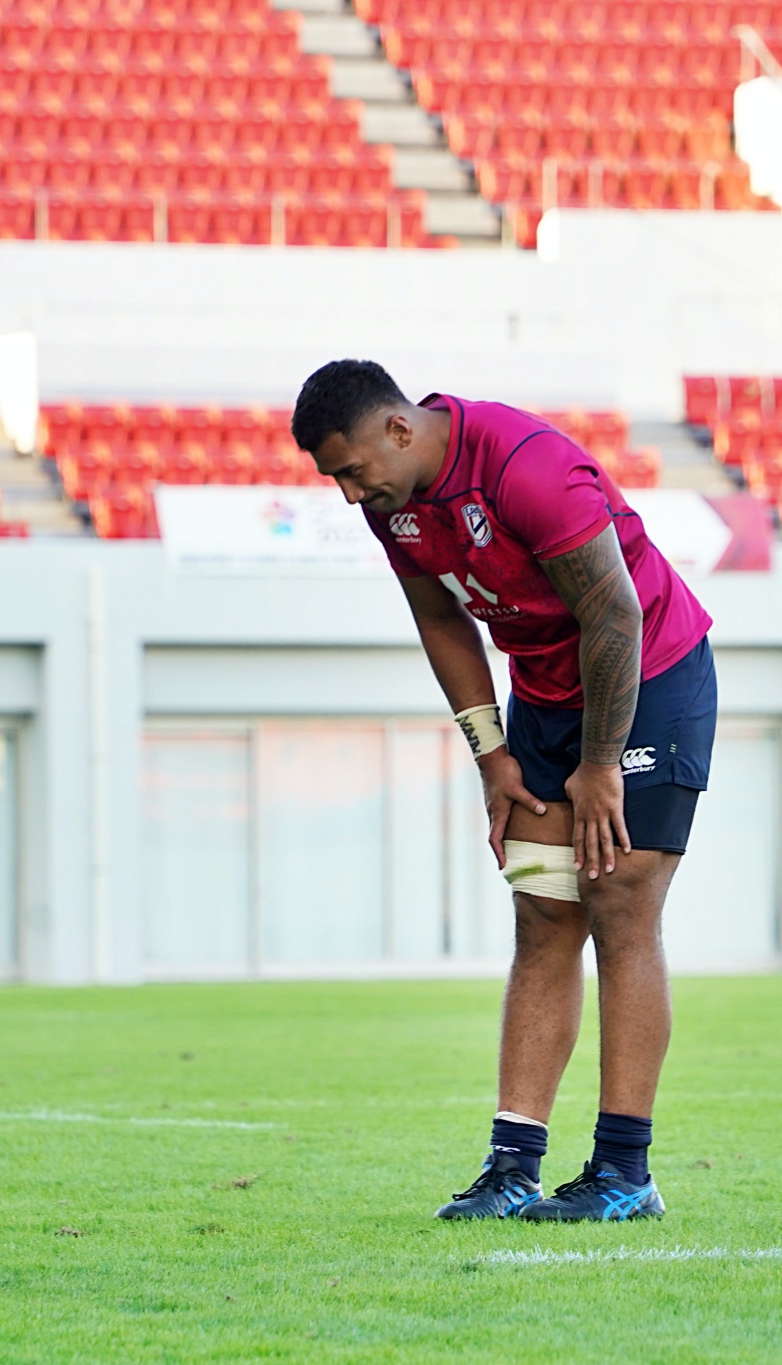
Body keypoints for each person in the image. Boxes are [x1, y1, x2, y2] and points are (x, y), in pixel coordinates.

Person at [291, 359, 716, 1222]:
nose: (348, 493)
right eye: (335, 478)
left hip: (649, 675)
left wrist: (600, 764)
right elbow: (439, 617)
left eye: (352, 470)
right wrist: (492, 753)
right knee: (543, 910)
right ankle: (513, 1164)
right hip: (546, 695)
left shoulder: (527, 466)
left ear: (399, 429)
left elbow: (616, 614)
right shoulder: (390, 503)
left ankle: (624, 1172)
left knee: (620, 902)